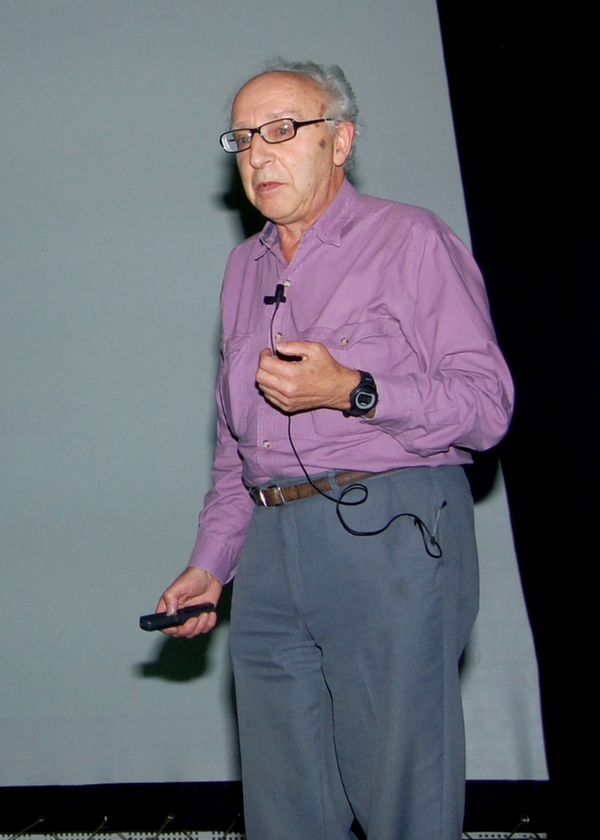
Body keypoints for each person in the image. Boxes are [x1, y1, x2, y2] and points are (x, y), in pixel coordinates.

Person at [156, 60, 514, 840]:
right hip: (271, 548)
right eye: (244, 138)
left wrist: (354, 389)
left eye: (282, 130)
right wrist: (212, 564)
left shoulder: (409, 239)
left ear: (340, 140)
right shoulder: (244, 268)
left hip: (390, 530)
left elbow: (487, 410)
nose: (259, 153)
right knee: (284, 809)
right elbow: (238, 443)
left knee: (402, 798)